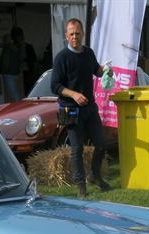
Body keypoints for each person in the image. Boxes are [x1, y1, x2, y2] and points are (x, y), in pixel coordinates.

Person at [50, 18, 110, 198]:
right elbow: (55, 86)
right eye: (71, 34)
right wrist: (74, 94)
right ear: (66, 36)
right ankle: (80, 185)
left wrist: (106, 71)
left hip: (90, 107)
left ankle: (94, 175)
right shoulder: (61, 58)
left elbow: (96, 70)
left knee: (101, 143)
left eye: (77, 33)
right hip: (71, 110)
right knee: (77, 148)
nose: (75, 36)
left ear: (83, 34)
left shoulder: (88, 53)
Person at [11, 26, 37, 96]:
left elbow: (34, 58)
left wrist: (25, 60)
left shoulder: (28, 47)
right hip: (17, 72)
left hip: (27, 72)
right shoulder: (14, 48)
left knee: (28, 88)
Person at [0, 33, 21, 102]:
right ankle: (19, 104)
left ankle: (19, 105)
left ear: (5, 40)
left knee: (12, 92)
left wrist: (3, 70)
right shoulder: (16, 48)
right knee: (15, 91)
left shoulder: (6, 49)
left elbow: (5, 62)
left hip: (8, 72)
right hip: (15, 72)